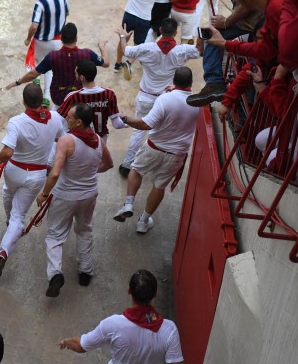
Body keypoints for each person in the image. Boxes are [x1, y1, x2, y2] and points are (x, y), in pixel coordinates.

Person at [59, 270, 188, 364]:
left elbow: (81, 346)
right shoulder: (169, 330)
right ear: (155, 294)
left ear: (129, 291)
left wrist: (67, 342)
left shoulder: (113, 324)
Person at [0, 83, 64, 279]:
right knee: (19, 216)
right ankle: (3, 251)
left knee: (7, 193)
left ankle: (9, 224)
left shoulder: (17, 121)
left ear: (24, 101)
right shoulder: (55, 119)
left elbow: (8, 151)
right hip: (36, 176)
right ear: (41, 101)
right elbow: (62, 140)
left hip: (14, 170)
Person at [36, 103, 112, 294]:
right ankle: (85, 271)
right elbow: (108, 164)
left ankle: (55, 274)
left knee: (55, 235)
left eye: (69, 117)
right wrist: (91, 172)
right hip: (89, 194)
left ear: (79, 122)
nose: (66, 119)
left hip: (65, 196)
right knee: (84, 229)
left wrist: (44, 193)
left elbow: (54, 174)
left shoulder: (66, 141)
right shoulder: (98, 140)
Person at [114, 67, 199, 232]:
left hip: (154, 148)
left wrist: (125, 118)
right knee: (159, 186)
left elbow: (146, 124)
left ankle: (128, 205)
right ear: (191, 83)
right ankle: (143, 222)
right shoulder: (198, 102)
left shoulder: (165, 99)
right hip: (176, 154)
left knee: (136, 171)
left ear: (173, 81)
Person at [116, 18, 200, 177]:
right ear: (176, 33)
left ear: (160, 30)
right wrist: (202, 36)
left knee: (138, 132)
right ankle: (155, 165)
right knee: (160, 132)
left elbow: (126, 51)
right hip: (166, 100)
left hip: (145, 98)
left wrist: (122, 37)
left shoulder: (147, 48)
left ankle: (128, 165)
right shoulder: (182, 50)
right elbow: (199, 50)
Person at [114, 0, 191, 70]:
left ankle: (117, 63)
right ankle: (129, 62)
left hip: (129, 13)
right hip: (143, 19)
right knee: (139, 46)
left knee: (123, 38)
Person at [9, 23, 108, 108]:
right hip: (79, 98)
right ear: (76, 38)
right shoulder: (87, 54)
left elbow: (33, 74)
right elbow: (106, 63)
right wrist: (102, 47)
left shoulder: (52, 57)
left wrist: (18, 82)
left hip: (59, 98)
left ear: (61, 38)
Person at [21, 0, 68, 103]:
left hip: (41, 41)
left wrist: (27, 39)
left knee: (36, 61)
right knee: (50, 68)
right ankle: (47, 97)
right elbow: (67, 12)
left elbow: (34, 26)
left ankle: (36, 81)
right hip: (57, 42)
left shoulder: (40, 3)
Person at [59, 60, 122, 141]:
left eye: (76, 73)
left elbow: (59, 120)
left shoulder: (73, 97)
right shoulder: (109, 93)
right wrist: (127, 121)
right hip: (100, 140)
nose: (75, 75)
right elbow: (117, 124)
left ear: (82, 77)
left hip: (79, 141)